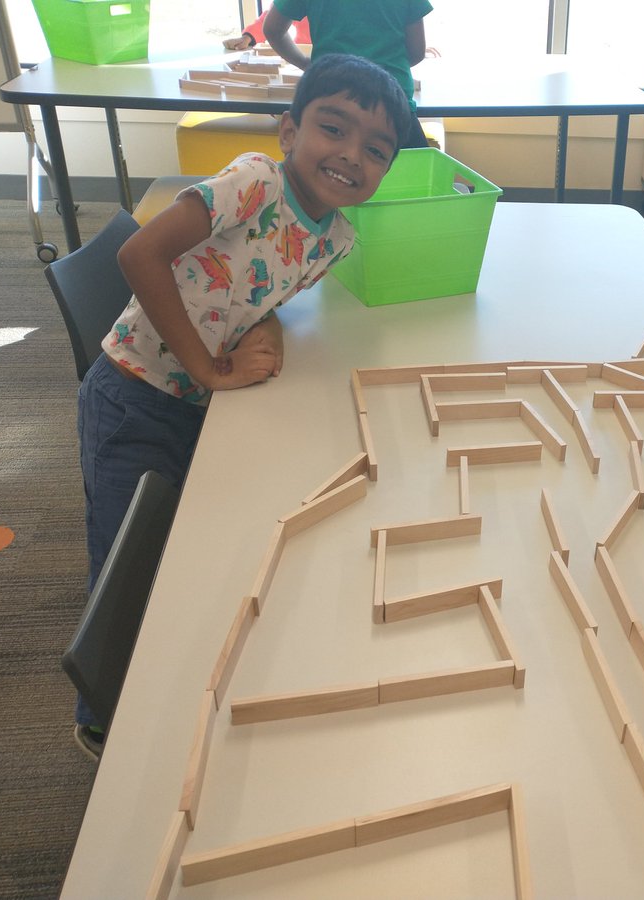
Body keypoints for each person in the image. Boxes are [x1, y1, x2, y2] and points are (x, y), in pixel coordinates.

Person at [72, 54, 412, 760]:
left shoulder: (337, 237)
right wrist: (205, 365)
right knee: (126, 563)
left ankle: (167, 685)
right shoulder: (254, 181)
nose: (351, 155)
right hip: (134, 393)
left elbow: (260, 281)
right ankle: (104, 720)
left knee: (194, 548)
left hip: (198, 403)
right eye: (333, 128)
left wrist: (265, 324)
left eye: (375, 150)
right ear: (290, 131)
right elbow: (140, 256)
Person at [263, 0, 432, 149]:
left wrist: (306, 64)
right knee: (413, 178)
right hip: (391, 102)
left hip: (330, 94)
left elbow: (272, 30)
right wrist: (378, 70)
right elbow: (416, 52)